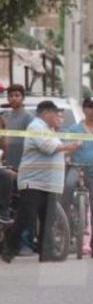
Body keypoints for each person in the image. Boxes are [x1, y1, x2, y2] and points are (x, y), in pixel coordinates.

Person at [2, 101, 80, 262]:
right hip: (34, 181)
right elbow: (48, 147)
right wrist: (69, 146)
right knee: (26, 216)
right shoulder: (36, 127)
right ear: (45, 113)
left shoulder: (49, 130)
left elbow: (55, 150)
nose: (58, 117)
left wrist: (66, 149)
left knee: (47, 219)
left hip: (48, 183)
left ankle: (47, 253)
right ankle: (9, 248)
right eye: (55, 113)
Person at [63, 96, 93, 258]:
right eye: (89, 106)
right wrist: (69, 153)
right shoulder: (73, 129)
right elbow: (63, 148)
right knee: (67, 188)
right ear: (84, 109)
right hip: (76, 167)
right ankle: (66, 234)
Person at [3, 84, 37, 254]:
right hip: (6, 166)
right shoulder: (5, 117)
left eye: (17, 95)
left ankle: (25, 243)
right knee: (8, 205)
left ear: (23, 98)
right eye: (11, 95)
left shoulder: (29, 118)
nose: (14, 98)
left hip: (24, 167)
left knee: (24, 205)